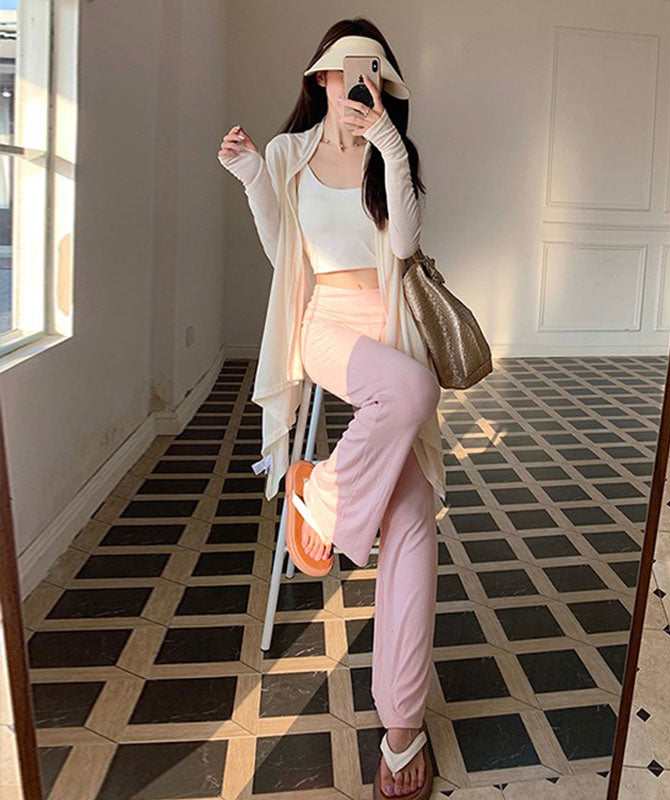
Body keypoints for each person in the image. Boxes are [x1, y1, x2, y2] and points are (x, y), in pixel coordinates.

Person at [217, 18, 441, 800]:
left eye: (373, 73)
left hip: (390, 328)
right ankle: (326, 493)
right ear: (320, 79)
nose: (358, 84)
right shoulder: (291, 153)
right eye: (346, 72)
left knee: (413, 517)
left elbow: (404, 247)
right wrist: (253, 176)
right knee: (414, 391)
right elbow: (284, 254)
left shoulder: (390, 154)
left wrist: (389, 144)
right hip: (325, 327)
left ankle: (402, 729)